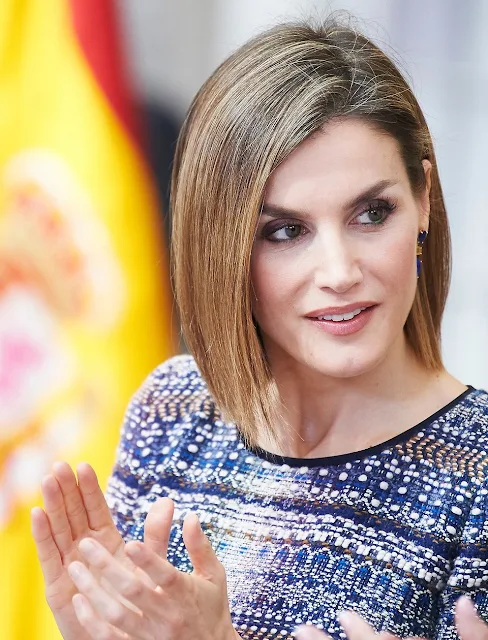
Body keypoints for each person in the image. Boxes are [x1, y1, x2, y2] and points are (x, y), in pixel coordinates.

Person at [31, 16, 488, 640]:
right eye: (285, 231)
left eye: (372, 213)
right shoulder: (174, 409)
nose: (339, 271)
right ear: (224, 247)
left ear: (424, 200)